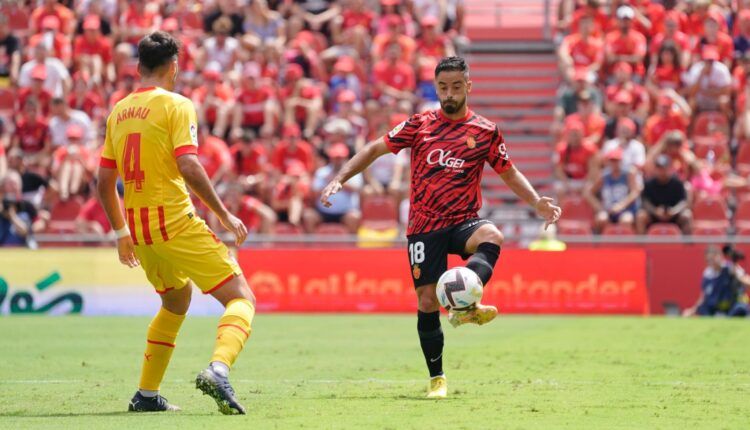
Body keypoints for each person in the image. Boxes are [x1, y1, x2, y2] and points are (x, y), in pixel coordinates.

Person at [320, 57, 561, 398]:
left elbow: (508, 171)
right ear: (436, 87)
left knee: (492, 235)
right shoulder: (419, 124)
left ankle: (464, 306)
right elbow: (376, 149)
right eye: (443, 87)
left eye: (456, 87)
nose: (449, 94)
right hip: (424, 225)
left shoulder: (485, 131)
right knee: (427, 300)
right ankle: (437, 378)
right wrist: (339, 179)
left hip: (464, 220)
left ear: (469, 86)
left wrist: (536, 201)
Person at [96, 32, 255, 415]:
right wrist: (222, 213)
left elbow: (103, 182)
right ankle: (219, 369)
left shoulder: (118, 111)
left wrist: (120, 234)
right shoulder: (177, 105)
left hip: (140, 230)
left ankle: (146, 395)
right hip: (174, 222)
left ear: (139, 68)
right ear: (174, 66)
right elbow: (188, 164)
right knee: (240, 297)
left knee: (176, 299)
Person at [583, 148, 641, 233]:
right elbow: (588, 193)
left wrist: (621, 205)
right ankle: (600, 244)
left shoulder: (628, 174)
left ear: (621, 161)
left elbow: (635, 192)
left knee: (626, 220)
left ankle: (626, 245)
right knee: (601, 219)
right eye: (612, 161)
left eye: (616, 161)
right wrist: (599, 207)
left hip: (625, 209)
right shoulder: (604, 176)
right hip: (608, 209)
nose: (614, 163)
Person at [683, 246, 749, 317]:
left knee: (740, 309)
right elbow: (703, 297)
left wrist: (737, 275)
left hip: (732, 305)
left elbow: (747, 281)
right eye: (708, 260)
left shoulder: (730, 268)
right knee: (702, 308)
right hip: (716, 308)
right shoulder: (707, 273)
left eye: (713, 258)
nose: (711, 262)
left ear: (720, 256)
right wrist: (692, 310)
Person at [636, 154, 691, 234]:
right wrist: (655, 211)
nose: (662, 171)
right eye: (659, 168)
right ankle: (642, 245)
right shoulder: (649, 183)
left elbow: (683, 202)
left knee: (687, 215)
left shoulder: (677, 183)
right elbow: (645, 201)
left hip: (674, 214)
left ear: (670, 168)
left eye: (664, 168)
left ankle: (686, 245)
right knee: (641, 216)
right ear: (655, 169)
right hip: (654, 214)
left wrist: (673, 211)